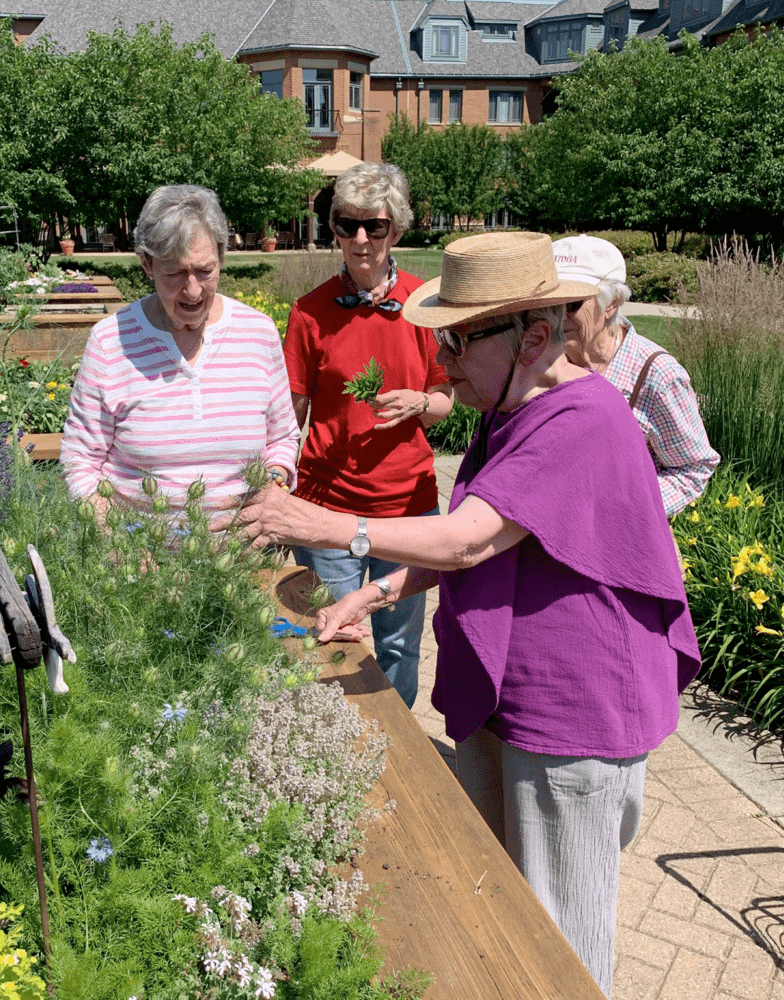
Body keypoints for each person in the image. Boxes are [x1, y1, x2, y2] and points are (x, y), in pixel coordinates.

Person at [230, 232, 701, 996]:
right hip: (512, 696)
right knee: (502, 914)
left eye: (456, 339)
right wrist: (374, 592)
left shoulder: (580, 416)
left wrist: (324, 525)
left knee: (558, 945)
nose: (441, 362)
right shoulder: (510, 407)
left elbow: (470, 539)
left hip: (574, 715)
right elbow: (480, 531)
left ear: (536, 336)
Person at [283, 161, 454, 709]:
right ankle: (339, 754)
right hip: (328, 508)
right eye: (346, 225)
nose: (360, 239)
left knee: (401, 645)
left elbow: (447, 401)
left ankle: (398, 749)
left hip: (406, 506)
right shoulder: (309, 313)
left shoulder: (425, 307)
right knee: (335, 637)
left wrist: (421, 402)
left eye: (373, 226)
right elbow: (290, 418)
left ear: (396, 230)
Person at [61, 185, 299, 523]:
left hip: (241, 553)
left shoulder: (257, 333)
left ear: (221, 257)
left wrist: (276, 479)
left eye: (205, 271)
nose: (192, 290)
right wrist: (116, 540)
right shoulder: (110, 340)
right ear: (147, 264)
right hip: (138, 555)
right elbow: (80, 461)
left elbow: (283, 437)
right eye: (174, 273)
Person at [552, 234, 719, 516]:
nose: (555, 317)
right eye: (549, 303)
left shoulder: (657, 376)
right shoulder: (541, 360)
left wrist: (628, 510)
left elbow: (693, 468)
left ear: (612, 303)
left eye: (571, 304)